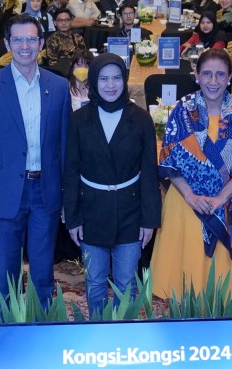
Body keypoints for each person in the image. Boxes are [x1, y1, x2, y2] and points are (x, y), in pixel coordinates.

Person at [0, 13, 69, 310]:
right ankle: (6, 330)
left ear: (41, 43)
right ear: (7, 43)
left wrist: (66, 196)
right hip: (4, 193)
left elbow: (64, 146)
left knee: (43, 272)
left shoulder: (59, 86)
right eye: (18, 39)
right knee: (6, 273)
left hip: (46, 191)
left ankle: (39, 328)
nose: (25, 46)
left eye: (31, 39)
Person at [152, 49, 232, 297]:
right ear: (197, 76)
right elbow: (169, 160)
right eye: (207, 74)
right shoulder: (182, 111)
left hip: (225, 204)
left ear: (229, 77)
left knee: (222, 292)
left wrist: (220, 198)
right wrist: (191, 196)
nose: (213, 81)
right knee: (181, 288)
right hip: (185, 203)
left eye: (220, 75)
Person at [62, 53, 160, 308]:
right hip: (91, 209)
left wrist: (149, 220)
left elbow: (150, 173)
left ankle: (123, 330)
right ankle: (97, 328)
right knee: (95, 280)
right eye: (104, 79)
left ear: (124, 80)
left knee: (126, 282)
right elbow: (70, 171)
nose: (110, 85)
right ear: (94, 80)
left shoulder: (141, 119)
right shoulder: (79, 120)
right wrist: (72, 217)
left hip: (131, 209)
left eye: (116, 78)